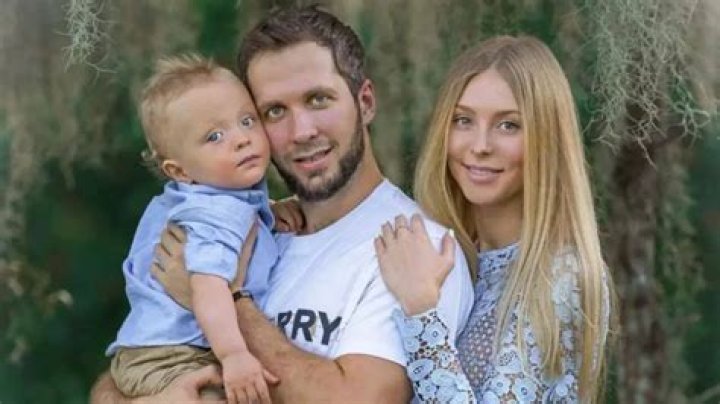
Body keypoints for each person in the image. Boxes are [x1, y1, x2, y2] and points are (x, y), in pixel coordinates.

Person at [90, 6, 474, 403]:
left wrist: (231, 300)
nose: (301, 131)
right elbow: (129, 367)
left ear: (365, 102)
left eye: (318, 99)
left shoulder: (415, 250)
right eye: (274, 112)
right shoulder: (249, 223)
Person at [375, 36, 614, 403]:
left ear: (547, 139)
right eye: (463, 120)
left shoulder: (563, 275)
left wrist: (422, 312)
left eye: (508, 125)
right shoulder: (441, 252)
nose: (480, 145)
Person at [105, 54, 290, 403]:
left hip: (150, 350)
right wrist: (234, 354)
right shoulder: (217, 212)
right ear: (179, 171)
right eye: (215, 136)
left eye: (247, 120)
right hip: (174, 355)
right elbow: (208, 287)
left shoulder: (199, 199)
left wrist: (273, 211)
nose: (242, 139)